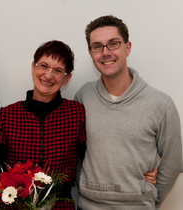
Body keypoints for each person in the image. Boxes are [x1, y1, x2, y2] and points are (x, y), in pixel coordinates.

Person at [74, 15, 183, 210]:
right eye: (97, 46)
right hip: (87, 206)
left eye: (113, 44)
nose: (105, 52)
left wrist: (149, 196)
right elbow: (75, 151)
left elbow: (173, 161)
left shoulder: (161, 103)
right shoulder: (83, 96)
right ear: (91, 53)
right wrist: (84, 183)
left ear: (127, 47)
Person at [0, 40, 86, 210]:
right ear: (33, 67)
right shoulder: (7, 115)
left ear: (67, 78)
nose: (48, 76)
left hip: (61, 206)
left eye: (58, 70)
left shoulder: (76, 114)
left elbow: (94, 160)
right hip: (16, 206)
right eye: (43, 66)